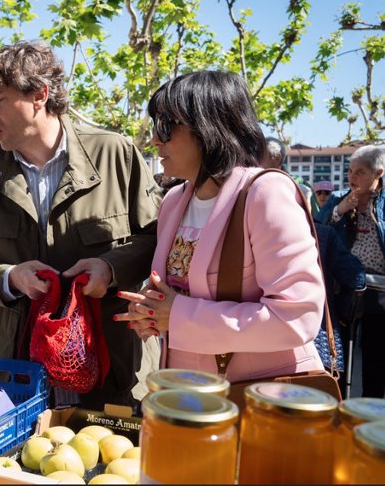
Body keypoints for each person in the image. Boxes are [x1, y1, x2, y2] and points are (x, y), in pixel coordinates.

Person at [0, 41, 161, 410]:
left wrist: (109, 268)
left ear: (39, 95)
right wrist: (9, 277)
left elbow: (157, 239)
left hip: (112, 365)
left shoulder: (115, 153)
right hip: (21, 370)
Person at [116, 71, 326, 382]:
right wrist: (152, 310)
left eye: (165, 126)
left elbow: (297, 317)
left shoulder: (264, 194)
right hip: (185, 392)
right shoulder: (174, 200)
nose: (155, 139)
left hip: (259, 399)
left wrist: (178, 315)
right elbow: (182, 295)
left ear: (207, 127)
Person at [316, 145, 385, 398]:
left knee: (375, 358)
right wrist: (340, 209)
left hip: (379, 292)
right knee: (339, 353)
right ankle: (339, 405)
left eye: (360, 172)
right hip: (344, 288)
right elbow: (317, 228)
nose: (353, 178)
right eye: (350, 171)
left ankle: (371, 414)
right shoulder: (338, 198)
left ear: (379, 173)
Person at [314, 220, 365, 397]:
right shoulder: (322, 233)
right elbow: (354, 277)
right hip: (318, 341)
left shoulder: (255, 228)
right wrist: (342, 310)